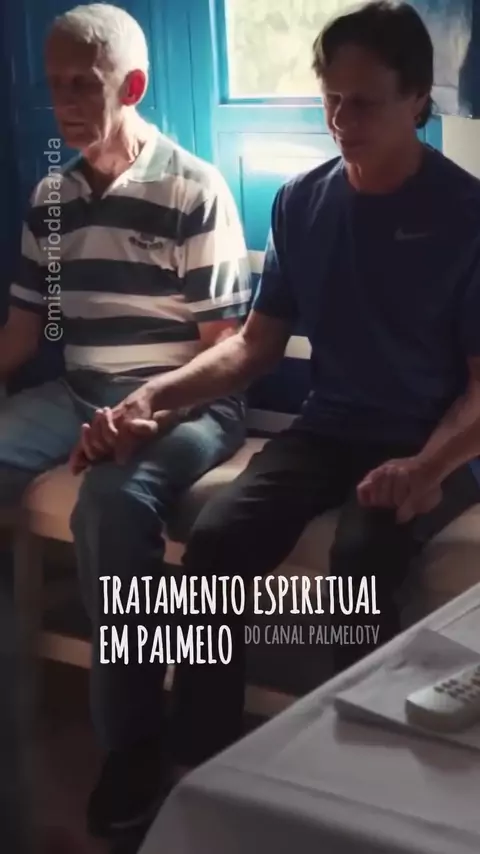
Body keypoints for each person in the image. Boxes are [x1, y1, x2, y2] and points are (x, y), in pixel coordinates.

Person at [79, 0, 480, 825]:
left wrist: (428, 467)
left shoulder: (466, 213)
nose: (341, 120)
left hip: (435, 440)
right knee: (217, 542)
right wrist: (153, 397)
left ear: (418, 100)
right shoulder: (303, 201)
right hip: (329, 430)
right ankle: (195, 766)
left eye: (364, 103)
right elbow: (255, 346)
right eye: (331, 99)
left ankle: (354, 788)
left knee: (364, 557)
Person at [0, 0, 250, 846]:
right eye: (55, 85)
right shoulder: (53, 198)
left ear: (132, 86)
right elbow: (25, 335)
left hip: (189, 402)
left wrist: (146, 411)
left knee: (111, 503)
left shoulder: (192, 188)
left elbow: (226, 351)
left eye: (85, 84)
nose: (65, 103)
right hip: (79, 394)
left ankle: (131, 746)